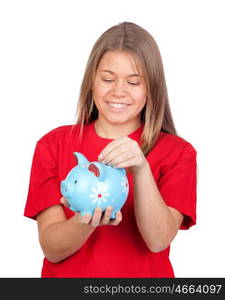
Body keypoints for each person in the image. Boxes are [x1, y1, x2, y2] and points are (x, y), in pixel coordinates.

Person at [24, 21, 197, 278]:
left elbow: (158, 240)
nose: (118, 91)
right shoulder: (53, 144)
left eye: (134, 82)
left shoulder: (178, 153)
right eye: (107, 79)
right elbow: (52, 249)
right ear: (91, 81)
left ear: (152, 88)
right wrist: (86, 220)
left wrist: (140, 168)